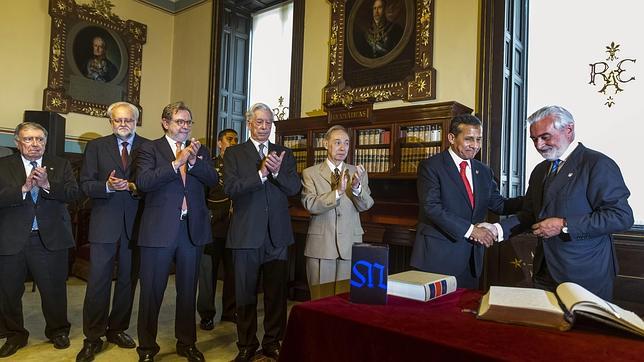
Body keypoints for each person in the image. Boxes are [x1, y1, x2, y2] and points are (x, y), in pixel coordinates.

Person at [494, 105, 633, 301]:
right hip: (544, 271)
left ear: (569, 129)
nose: (539, 145)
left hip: (585, 274)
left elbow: (621, 216)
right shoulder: (540, 170)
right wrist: (496, 230)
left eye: (545, 137)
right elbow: (530, 214)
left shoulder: (597, 164)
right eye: (534, 139)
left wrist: (564, 225)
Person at [134, 102, 217, 362]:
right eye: (180, 121)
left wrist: (193, 162)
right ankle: (147, 348)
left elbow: (213, 181)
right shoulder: (149, 148)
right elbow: (144, 183)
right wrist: (175, 163)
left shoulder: (198, 150)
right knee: (151, 292)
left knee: (187, 291)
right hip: (158, 230)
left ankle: (187, 342)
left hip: (190, 229)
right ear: (165, 123)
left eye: (188, 122)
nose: (185, 127)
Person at [224, 103, 300, 362]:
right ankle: (246, 344)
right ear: (249, 124)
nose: (265, 127)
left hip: (277, 236)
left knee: (276, 295)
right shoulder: (235, 153)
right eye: (260, 122)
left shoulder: (285, 154)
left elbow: (293, 188)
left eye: (268, 122)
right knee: (244, 294)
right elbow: (231, 189)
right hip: (246, 234)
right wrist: (261, 173)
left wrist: (276, 170)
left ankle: (272, 342)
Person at [410, 114, 522, 289]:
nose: (475, 145)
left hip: (471, 259)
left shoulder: (483, 171)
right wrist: (471, 231)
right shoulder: (431, 167)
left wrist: (533, 199)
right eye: (469, 139)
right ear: (451, 138)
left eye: (478, 139)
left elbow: (499, 204)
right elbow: (431, 208)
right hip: (437, 258)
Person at [76, 102, 149, 362]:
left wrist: (132, 186)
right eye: (118, 120)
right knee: (98, 283)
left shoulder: (149, 146)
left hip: (136, 224)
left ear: (136, 121)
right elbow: (85, 184)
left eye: (128, 120)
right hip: (104, 224)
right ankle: (92, 337)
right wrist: (106, 186)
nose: (123, 124)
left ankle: (117, 329)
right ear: (110, 122)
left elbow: (153, 184)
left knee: (129, 280)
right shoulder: (96, 147)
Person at [0, 122, 80, 357]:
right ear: (17, 142)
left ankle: (58, 330)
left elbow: (73, 194)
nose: (35, 144)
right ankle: (15, 334)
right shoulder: (4, 166)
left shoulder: (61, 164)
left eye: (39, 139)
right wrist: (23, 188)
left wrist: (46, 185)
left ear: (45, 142)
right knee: (8, 291)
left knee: (54, 289)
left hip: (50, 239)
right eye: (28, 139)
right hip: (12, 238)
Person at [300, 125, 374, 299]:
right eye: (338, 142)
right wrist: (337, 193)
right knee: (320, 303)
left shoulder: (357, 172)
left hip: (350, 245)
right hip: (321, 248)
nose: (343, 148)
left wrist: (356, 189)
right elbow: (310, 204)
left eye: (346, 143)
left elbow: (366, 204)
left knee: (345, 303)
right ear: (326, 144)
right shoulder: (310, 173)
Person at [197, 129, 238, 331]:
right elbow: (200, 196)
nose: (233, 142)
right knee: (207, 274)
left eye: (236, 140)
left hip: (236, 228)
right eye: (229, 139)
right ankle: (206, 314)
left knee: (233, 273)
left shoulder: (241, 165)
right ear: (219, 143)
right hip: (213, 227)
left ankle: (230, 311)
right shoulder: (209, 165)